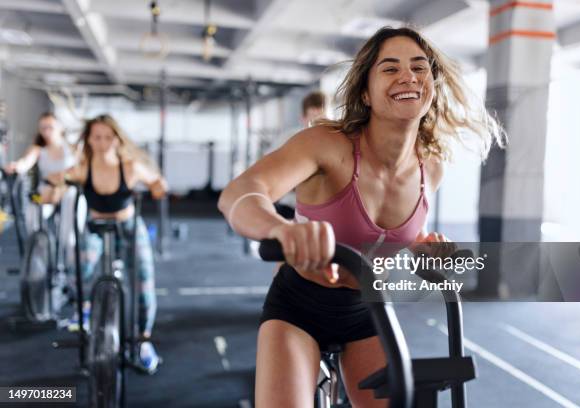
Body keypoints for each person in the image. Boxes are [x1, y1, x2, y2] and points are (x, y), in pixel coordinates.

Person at [219, 26, 504, 406]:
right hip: (298, 307)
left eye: (420, 67)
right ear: (366, 93)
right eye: (390, 68)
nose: (408, 76)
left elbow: (386, 236)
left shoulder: (430, 167)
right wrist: (281, 230)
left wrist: (421, 247)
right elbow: (239, 193)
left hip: (368, 310)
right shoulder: (326, 146)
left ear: (431, 85)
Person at [66, 114, 167, 375]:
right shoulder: (82, 167)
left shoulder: (130, 166)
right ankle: (86, 313)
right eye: (97, 137)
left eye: (108, 137)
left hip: (129, 226)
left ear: (117, 139)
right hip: (96, 227)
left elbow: (155, 181)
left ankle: (143, 341)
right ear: (89, 139)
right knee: (80, 269)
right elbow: (57, 181)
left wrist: (158, 186)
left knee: (143, 282)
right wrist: (50, 188)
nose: (102, 143)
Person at [274, 91, 328, 220]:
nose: (317, 125)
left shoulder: (333, 142)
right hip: (291, 206)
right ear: (303, 118)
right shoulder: (288, 139)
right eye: (313, 119)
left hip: (322, 210)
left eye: (322, 118)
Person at [3, 112, 75, 204]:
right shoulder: (37, 149)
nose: (47, 131)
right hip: (43, 193)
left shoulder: (72, 149)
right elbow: (25, 162)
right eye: (43, 128)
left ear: (60, 127)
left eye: (50, 127)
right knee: (38, 197)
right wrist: (16, 166)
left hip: (68, 190)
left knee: (68, 193)